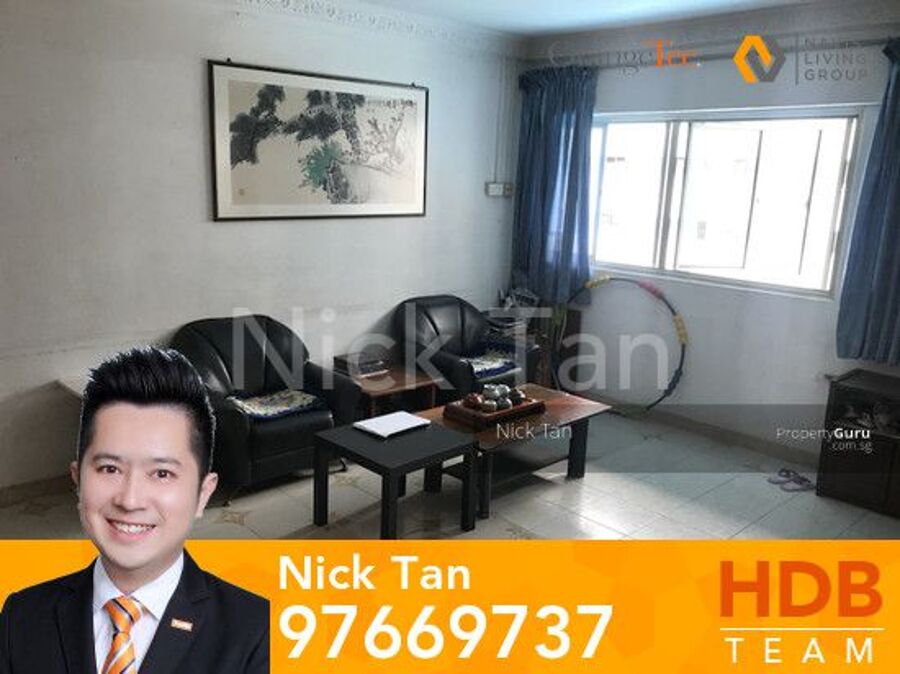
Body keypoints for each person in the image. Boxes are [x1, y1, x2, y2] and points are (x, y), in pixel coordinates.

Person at [0, 347, 269, 673]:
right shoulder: (21, 616)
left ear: (203, 494)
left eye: (162, 473)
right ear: (78, 480)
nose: (130, 500)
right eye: (110, 469)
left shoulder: (258, 630)